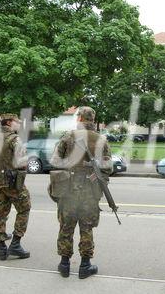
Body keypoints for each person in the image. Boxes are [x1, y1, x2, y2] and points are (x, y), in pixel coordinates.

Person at [50, 106, 112, 279]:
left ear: (79, 119)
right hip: (90, 193)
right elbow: (109, 167)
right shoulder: (101, 139)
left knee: (66, 227)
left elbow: (55, 161)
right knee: (87, 228)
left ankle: (64, 265)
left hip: (68, 190)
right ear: (93, 119)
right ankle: (85, 266)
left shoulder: (67, 137)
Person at [0, 114, 31, 260]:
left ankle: (1, 247)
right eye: (17, 121)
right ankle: (16, 244)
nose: (19, 124)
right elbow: (22, 161)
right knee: (24, 208)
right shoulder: (15, 139)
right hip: (13, 183)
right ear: (9, 122)